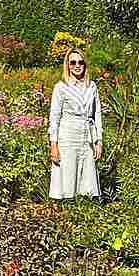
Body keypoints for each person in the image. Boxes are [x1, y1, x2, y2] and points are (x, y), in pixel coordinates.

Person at [47, 49, 102, 199]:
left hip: (87, 137)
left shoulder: (92, 86)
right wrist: (54, 145)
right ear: (68, 65)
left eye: (80, 62)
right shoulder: (61, 87)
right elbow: (54, 117)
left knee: (88, 178)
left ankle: (85, 209)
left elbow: (97, 115)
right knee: (68, 175)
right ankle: (67, 210)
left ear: (85, 64)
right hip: (68, 136)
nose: (77, 65)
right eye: (73, 62)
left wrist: (98, 141)